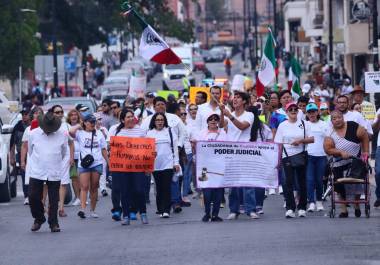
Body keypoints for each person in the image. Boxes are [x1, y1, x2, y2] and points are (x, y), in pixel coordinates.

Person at [141, 96, 186, 213]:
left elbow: (183, 133)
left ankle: (175, 202)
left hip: (173, 154)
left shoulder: (174, 118)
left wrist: (179, 146)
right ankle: (161, 207)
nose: (160, 106)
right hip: (155, 161)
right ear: (154, 107)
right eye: (157, 105)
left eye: (162, 104)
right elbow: (142, 139)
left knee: (173, 181)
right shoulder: (147, 122)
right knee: (159, 185)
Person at [220, 91, 258, 220]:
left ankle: (251, 210)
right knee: (233, 184)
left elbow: (242, 126)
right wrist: (221, 112)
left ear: (244, 101)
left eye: (238, 98)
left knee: (248, 183)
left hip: (245, 152)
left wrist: (229, 115)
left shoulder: (250, 114)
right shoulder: (229, 114)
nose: (234, 99)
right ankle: (234, 210)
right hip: (231, 153)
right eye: (234, 97)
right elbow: (221, 125)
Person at [324, 111, 369, 217]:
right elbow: (328, 149)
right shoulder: (330, 133)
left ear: (343, 118)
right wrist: (339, 152)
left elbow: (365, 136)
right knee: (339, 185)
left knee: (357, 183)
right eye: (334, 118)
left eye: (339, 117)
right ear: (331, 121)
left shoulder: (353, 126)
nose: (337, 120)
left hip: (355, 161)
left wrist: (366, 152)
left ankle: (356, 204)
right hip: (339, 163)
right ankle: (344, 210)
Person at [28, 112, 68, 232]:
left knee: (54, 199)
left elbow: (64, 152)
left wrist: (53, 161)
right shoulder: (33, 134)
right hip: (37, 170)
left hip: (54, 170)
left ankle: (54, 223)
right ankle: (39, 218)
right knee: (32, 196)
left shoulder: (62, 135)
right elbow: (30, 150)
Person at [109, 108, 149, 225]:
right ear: (122, 120)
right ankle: (126, 215)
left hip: (138, 167)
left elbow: (147, 148)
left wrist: (150, 159)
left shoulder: (141, 131)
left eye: (132, 116)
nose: (131, 119)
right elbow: (111, 148)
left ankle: (143, 213)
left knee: (139, 190)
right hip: (122, 167)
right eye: (128, 117)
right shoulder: (117, 132)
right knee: (124, 191)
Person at [274, 102, 314, 218]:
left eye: (295, 109)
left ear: (298, 111)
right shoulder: (282, 125)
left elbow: (312, 139)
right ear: (286, 112)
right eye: (290, 109)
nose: (293, 111)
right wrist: (278, 160)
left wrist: (300, 141)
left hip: (301, 154)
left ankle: (302, 207)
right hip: (286, 156)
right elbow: (279, 143)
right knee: (288, 183)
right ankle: (290, 208)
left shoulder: (304, 124)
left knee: (302, 182)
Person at [69, 113, 109, 219]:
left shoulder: (99, 134)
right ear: (85, 123)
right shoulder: (80, 133)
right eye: (90, 122)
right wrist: (79, 125)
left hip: (97, 163)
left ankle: (92, 210)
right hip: (84, 164)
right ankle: (82, 209)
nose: (93, 124)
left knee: (94, 187)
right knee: (84, 186)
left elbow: (103, 149)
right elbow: (70, 132)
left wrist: (108, 162)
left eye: (94, 122)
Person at [147, 113, 180, 218]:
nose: (160, 122)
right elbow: (146, 150)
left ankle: (166, 210)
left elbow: (175, 148)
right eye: (157, 120)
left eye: (161, 120)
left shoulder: (170, 132)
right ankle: (160, 209)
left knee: (166, 187)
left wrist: (176, 163)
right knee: (159, 187)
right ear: (154, 121)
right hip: (155, 165)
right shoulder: (149, 134)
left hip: (168, 164)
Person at [195, 113, 227, 222]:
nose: (213, 121)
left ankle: (215, 214)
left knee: (218, 190)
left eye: (215, 119)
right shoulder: (201, 133)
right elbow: (197, 148)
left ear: (218, 121)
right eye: (211, 119)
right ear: (207, 121)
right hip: (204, 167)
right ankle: (207, 213)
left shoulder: (223, 133)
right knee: (206, 190)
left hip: (219, 166)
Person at [247, 106, 273, 214]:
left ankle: (248, 205)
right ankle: (258, 205)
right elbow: (271, 142)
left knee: (250, 183)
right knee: (259, 182)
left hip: (251, 158)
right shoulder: (264, 128)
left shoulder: (262, 128)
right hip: (259, 159)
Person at [50, 105, 74, 218]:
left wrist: (72, 157)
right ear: (52, 113)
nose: (59, 114)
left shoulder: (66, 126)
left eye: (61, 112)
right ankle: (49, 206)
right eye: (57, 112)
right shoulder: (47, 126)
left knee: (63, 182)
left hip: (64, 157)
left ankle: (61, 208)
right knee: (50, 182)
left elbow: (71, 142)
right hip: (51, 158)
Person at [305, 103, 329, 212]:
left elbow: (329, 138)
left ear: (317, 112)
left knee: (319, 180)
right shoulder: (304, 124)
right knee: (310, 180)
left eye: (313, 111)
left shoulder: (324, 124)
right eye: (309, 112)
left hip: (322, 156)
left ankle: (319, 201)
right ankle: (311, 202)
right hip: (309, 156)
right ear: (307, 114)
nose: (312, 114)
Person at [10, 105, 31, 204]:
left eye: (26, 114)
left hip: (33, 154)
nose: (24, 116)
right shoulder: (17, 126)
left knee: (34, 176)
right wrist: (12, 157)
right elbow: (12, 143)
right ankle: (26, 196)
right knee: (24, 175)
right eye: (23, 114)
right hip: (21, 154)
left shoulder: (34, 126)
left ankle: (35, 195)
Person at [66, 109, 82, 206]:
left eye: (75, 115)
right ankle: (77, 197)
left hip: (81, 156)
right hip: (71, 155)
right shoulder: (66, 127)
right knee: (74, 177)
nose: (74, 116)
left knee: (81, 177)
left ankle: (82, 196)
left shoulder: (82, 126)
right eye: (71, 115)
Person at [178, 106, 193, 204]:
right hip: (179, 152)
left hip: (189, 152)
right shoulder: (176, 125)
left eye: (185, 114)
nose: (183, 116)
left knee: (187, 175)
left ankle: (185, 195)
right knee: (180, 175)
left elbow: (192, 138)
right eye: (181, 114)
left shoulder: (190, 125)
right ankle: (178, 196)